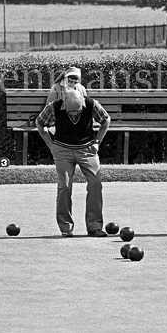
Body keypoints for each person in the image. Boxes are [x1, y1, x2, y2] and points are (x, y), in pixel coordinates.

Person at [35, 90, 111, 237]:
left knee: (95, 183)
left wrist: (97, 141)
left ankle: (95, 226)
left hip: (87, 149)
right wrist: (51, 145)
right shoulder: (54, 107)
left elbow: (106, 120)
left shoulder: (92, 104)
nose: (75, 114)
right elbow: (40, 122)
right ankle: (66, 228)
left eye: (78, 111)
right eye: (71, 111)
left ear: (82, 102)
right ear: (65, 102)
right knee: (64, 186)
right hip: (62, 150)